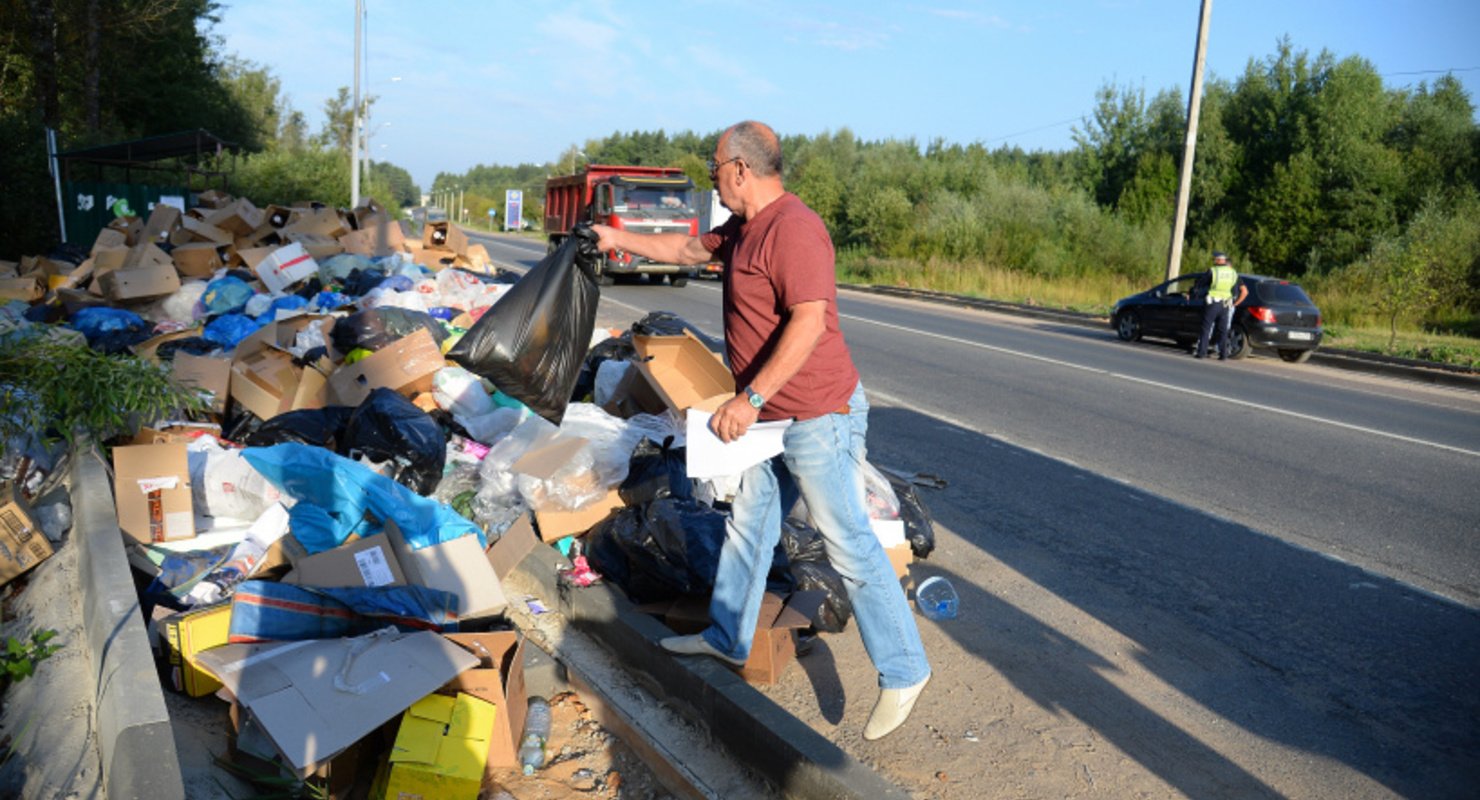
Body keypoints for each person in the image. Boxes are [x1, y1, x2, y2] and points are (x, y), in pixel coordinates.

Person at [591, 121, 931, 740]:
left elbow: (807, 323)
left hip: (818, 412)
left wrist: (749, 397)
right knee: (750, 522)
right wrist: (618, 236)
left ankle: (905, 670)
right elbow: (689, 252)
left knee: (845, 537)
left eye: (715, 167)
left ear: (741, 169)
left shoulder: (795, 229)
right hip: (775, 416)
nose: (712, 176)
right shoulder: (744, 228)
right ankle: (727, 636)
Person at [1195, 251, 1249, 360]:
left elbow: (1200, 284)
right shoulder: (1233, 273)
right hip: (1226, 305)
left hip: (1213, 303)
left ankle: (1202, 352)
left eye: (1215, 259)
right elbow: (1240, 290)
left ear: (1219, 260)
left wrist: (1195, 291)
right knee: (1223, 330)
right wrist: (1234, 303)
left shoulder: (1213, 271)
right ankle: (1223, 354)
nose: (1214, 261)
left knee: (1206, 328)